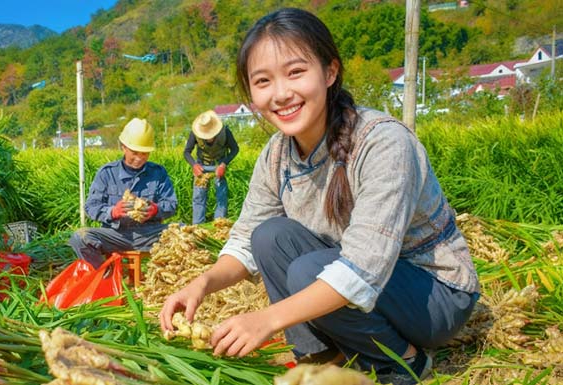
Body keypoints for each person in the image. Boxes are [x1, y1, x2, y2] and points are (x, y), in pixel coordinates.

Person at [159, 8, 479, 385]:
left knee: (308, 271)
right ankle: (322, 355)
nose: (281, 94)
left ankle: (401, 362)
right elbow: (247, 238)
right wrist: (202, 283)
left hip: (432, 297)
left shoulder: (382, 142)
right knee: (270, 237)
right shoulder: (277, 153)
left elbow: (361, 268)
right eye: (263, 81)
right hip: (360, 281)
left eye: (296, 72)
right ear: (251, 94)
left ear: (329, 72)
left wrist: (267, 319)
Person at [69, 118, 178, 269]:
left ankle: (169, 277)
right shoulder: (106, 173)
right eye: (134, 152)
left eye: (145, 153)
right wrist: (113, 212)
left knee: (186, 232)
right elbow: (91, 207)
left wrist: (155, 210)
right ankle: (105, 275)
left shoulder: (158, 172)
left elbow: (171, 204)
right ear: (123, 147)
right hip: (116, 234)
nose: (139, 158)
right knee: (79, 238)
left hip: (149, 234)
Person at [183, 110, 239, 224]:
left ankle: (219, 225)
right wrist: (194, 165)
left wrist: (224, 164)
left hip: (219, 166)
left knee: (221, 198)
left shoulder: (225, 131)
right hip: (201, 166)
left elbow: (235, 149)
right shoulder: (195, 133)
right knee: (198, 198)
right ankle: (198, 228)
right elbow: (186, 152)